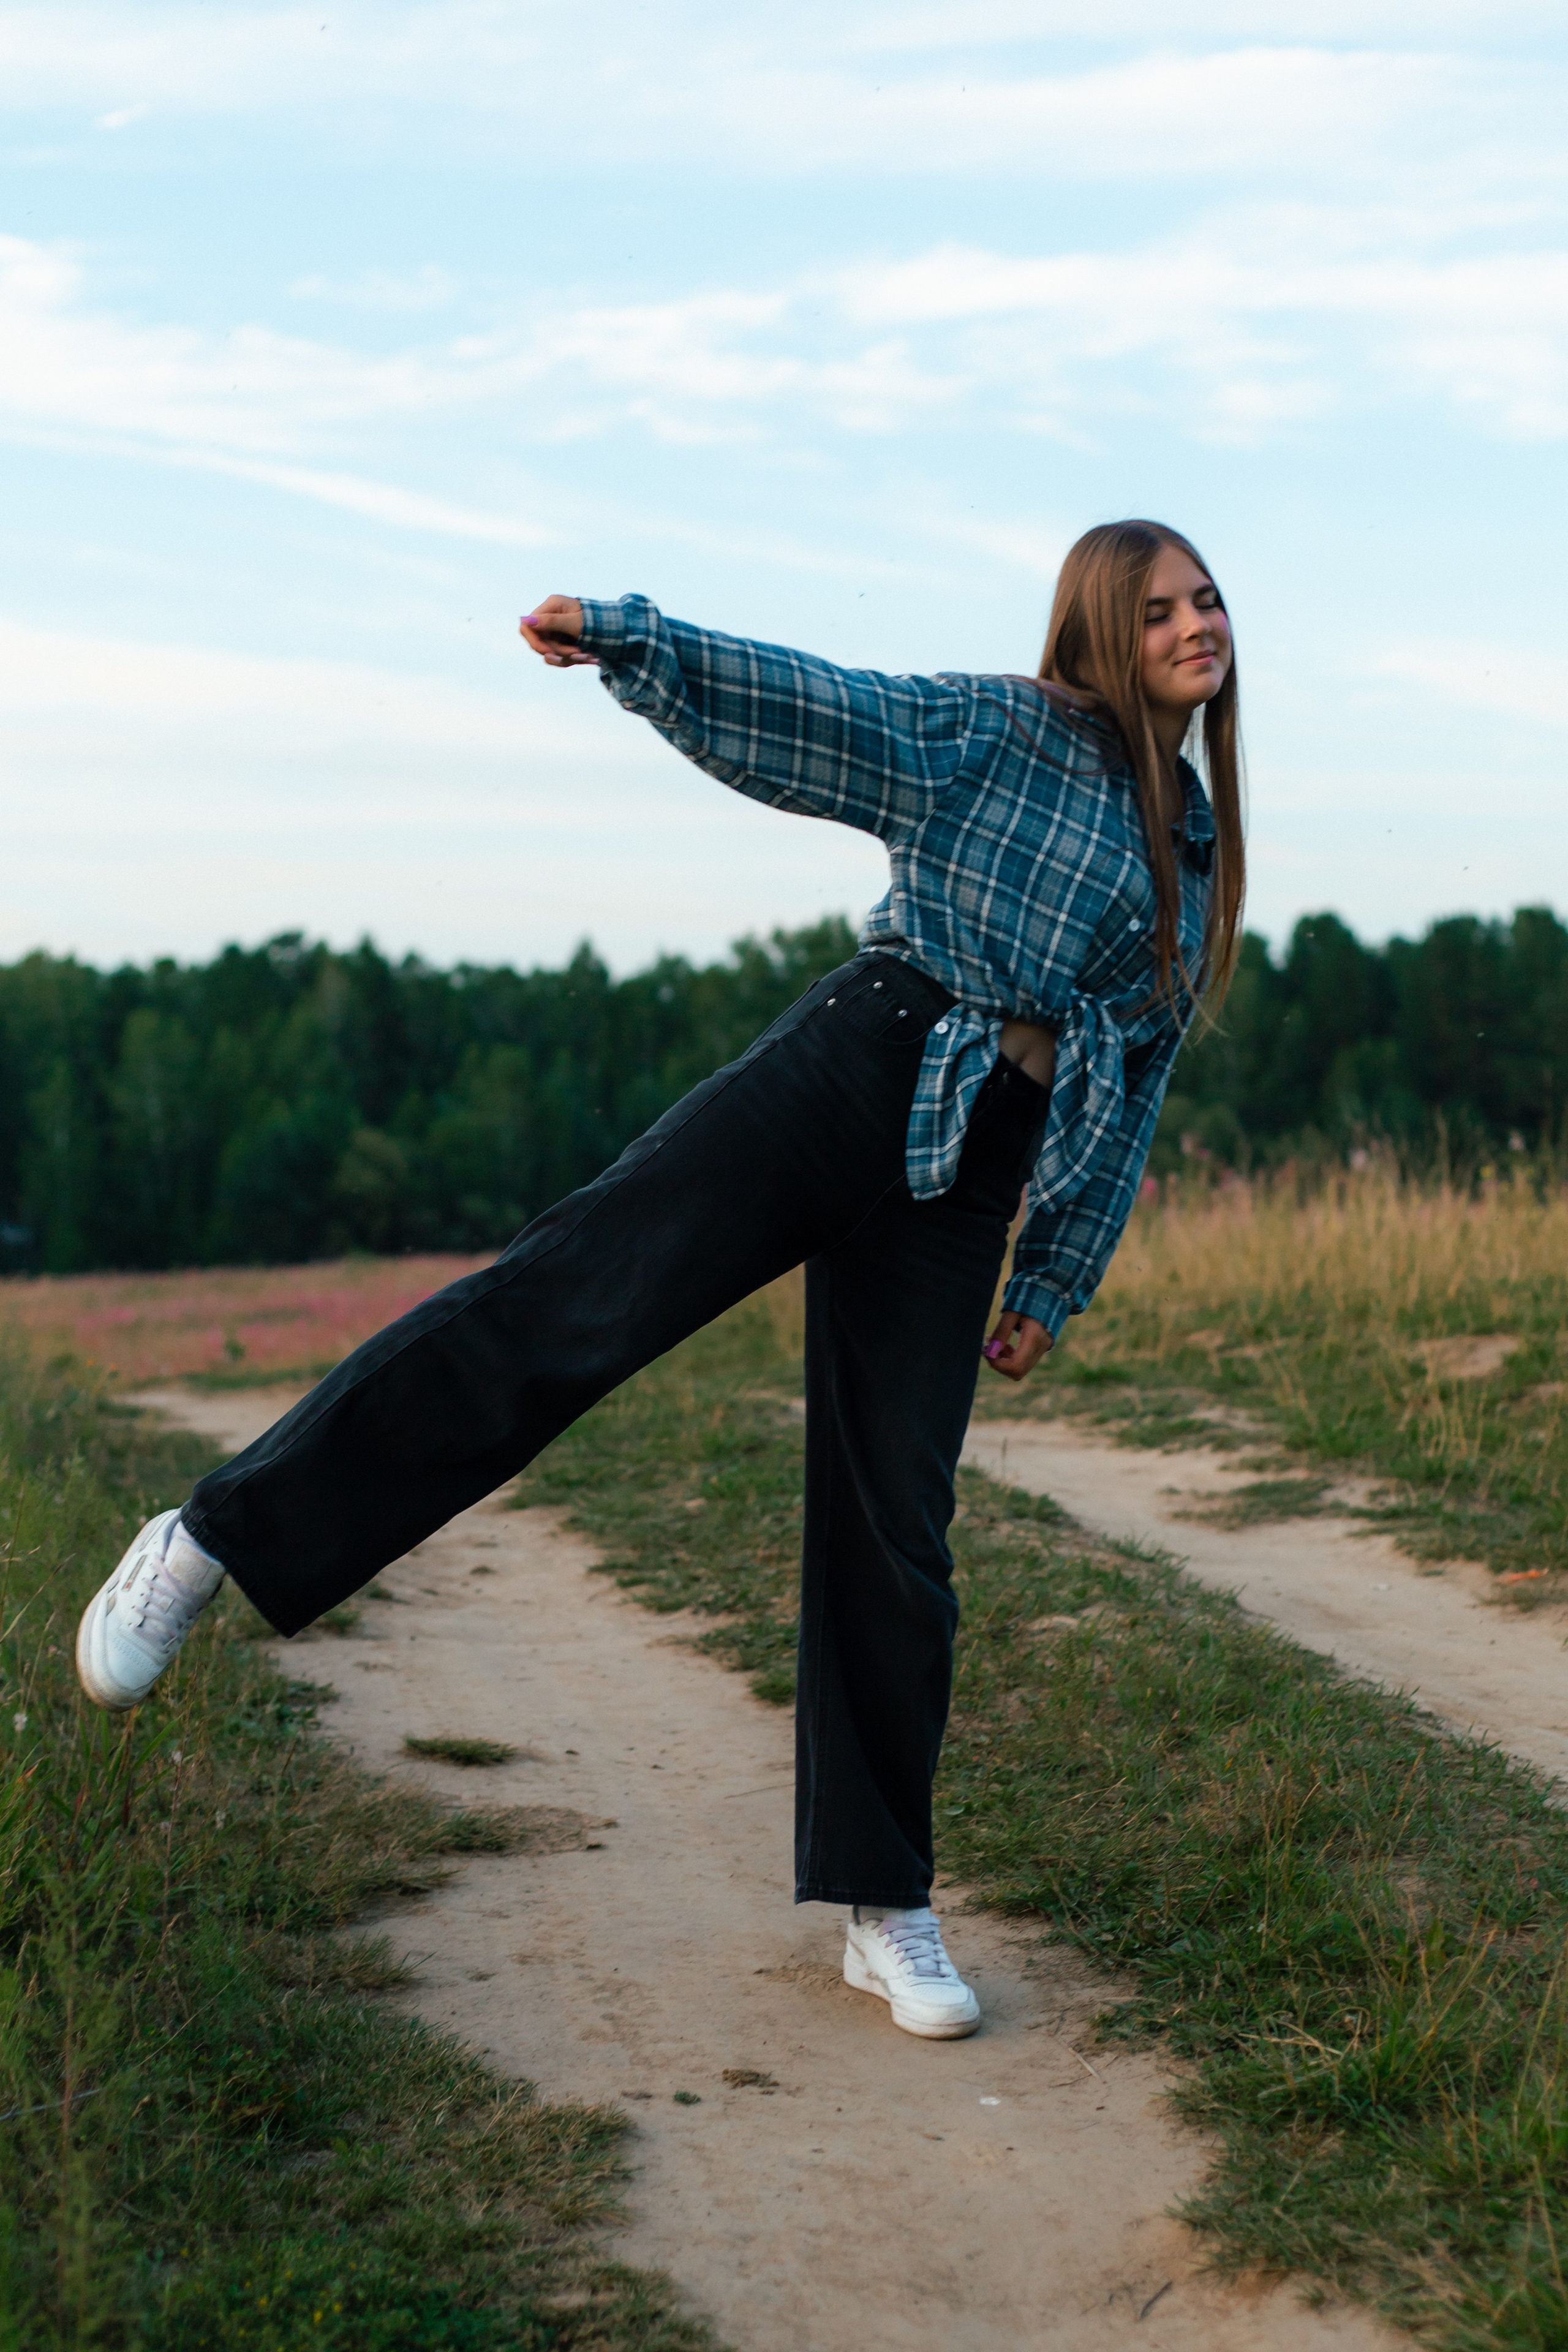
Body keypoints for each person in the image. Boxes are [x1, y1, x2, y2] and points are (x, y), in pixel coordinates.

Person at [75, 519, 1242, 2041]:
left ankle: (884, 1905)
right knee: (566, 1305)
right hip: (857, 1065)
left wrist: (1057, 1266)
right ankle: (210, 1539)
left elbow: (1133, 1083)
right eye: (1155, 610)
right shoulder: (1002, 728)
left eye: (1204, 601)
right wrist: (639, 641)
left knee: (896, 1523)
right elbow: (821, 711)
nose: (1192, 625)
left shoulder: (1196, 850)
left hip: (972, 1171)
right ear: (1095, 630)